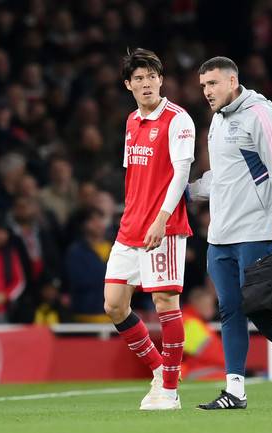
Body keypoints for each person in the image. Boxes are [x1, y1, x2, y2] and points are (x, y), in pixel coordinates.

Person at [188, 56, 272, 410]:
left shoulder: (261, 115)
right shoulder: (217, 121)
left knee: (260, 311)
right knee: (229, 310)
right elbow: (223, 178)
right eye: (203, 86)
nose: (207, 92)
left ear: (232, 81)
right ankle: (235, 391)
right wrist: (190, 192)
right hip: (220, 235)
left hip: (256, 230)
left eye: (212, 83)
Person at [102, 48, 195, 410]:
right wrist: (133, 217)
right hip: (131, 227)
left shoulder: (178, 120)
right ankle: (160, 370)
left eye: (151, 77)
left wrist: (161, 218)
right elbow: (133, 176)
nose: (146, 84)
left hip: (164, 226)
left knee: (165, 303)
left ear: (161, 80)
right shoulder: (130, 121)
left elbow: (181, 173)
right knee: (114, 304)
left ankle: (169, 392)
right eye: (138, 78)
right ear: (128, 85)